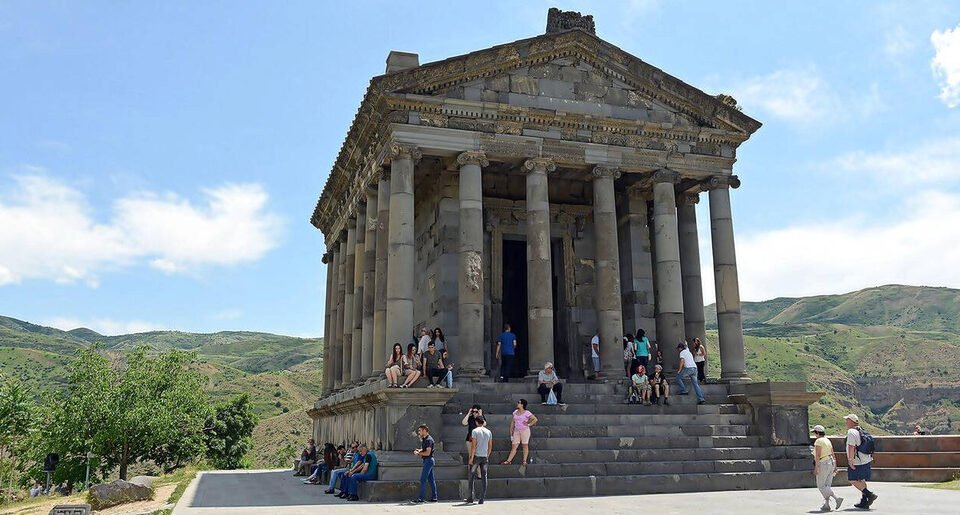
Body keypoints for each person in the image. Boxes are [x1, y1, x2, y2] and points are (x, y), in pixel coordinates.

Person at [845, 414, 878, 509]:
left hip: (857, 460)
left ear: (851, 421)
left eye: (847, 420)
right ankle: (864, 501)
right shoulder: (861, 429)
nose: (846, 422)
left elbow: (851, 446)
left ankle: (869, 494)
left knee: (852, 479)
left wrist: (850, 460)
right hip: (866, 459)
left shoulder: (851, 431)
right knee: (861, 480)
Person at [811, 424, 842, 512]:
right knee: (827, 485)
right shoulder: (827, 440)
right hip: (830, 462)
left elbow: (818, 455)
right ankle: (826, 505)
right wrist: (835, 466)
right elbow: (833, 453)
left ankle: (837, 498)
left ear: (817, 433)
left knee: (821, 485)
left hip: (823, 463)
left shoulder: (818, 442)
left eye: (815, 433)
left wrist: (816, 468)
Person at [502, 399, 538, 468]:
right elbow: (513, 422)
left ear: (522, 405)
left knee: (525, 445)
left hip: (525, 430)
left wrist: (529, 424)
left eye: (519, 403)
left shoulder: (527, 412)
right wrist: (511, 431)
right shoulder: (515, 412)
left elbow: (535, 419)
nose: (517, 404)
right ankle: (509, 460)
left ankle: (524, 461)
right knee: (514, 446)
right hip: (516, 430)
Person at [465, 416, 493, 504]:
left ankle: (470, 497)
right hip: (484, 456)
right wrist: (487, 455)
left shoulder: (475, 431)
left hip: (476, 456)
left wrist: (471, 458)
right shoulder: (488, 432)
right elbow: (490, 446)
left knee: (471, 476)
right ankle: (482, 498)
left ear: (477, 422)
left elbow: (473, 445)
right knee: (484, 477)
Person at [413, 424, 438, 503]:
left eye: (420, 431)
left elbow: (427, 453)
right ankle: (434, 497)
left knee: (423, 479)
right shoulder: (425, 439)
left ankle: (421, 498)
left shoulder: (429, 440)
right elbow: (425, 449)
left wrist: (418, 454)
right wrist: (420, 450)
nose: (419, 432)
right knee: (431, 480)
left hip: (428, 460)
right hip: (428, 460)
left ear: (424, 431)